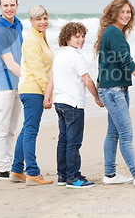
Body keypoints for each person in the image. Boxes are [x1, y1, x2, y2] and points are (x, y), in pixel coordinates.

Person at [94, 0, 135, 190]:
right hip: (114, 90)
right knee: (125, 133)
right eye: (122, 11)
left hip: (113, 88)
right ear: (113, 13)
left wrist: (100, 88)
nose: (125, 15)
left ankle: (110, 174)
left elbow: (103, 62)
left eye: (128, 12)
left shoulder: (111, 32)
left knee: (113, 132)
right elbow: (126, 62)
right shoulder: (114, 33)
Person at [43, 22, 104, 189]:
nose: (81, 39)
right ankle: (74, 177)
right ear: (67, 38)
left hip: (60, 103)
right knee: (73, 142)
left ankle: (62, 175)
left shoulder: (60, 55)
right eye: (77, 36)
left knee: (63, 140)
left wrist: (47, 98)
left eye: (83, 36)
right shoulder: (76, 57)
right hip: (74, 105)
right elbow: (87, 80)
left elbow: (53, 78)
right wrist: (97, 98)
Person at [10, 5, 54, 185]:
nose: (43, 22)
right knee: (31, 131)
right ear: (31, 21)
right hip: (33, 89)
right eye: (38, 19)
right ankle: (33, 173)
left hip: (33, 88)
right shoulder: (31, 41)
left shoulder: (40, 37)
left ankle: (16, 170)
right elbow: (37, 71)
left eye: (45, 18)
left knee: (27, 128)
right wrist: (47, 94)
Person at [0, 0, 23, 180]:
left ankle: (10, 165)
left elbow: (22, 55)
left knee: (11, 128)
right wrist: (32, 78)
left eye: (12, 5)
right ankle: (3, 169)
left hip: (19, 83)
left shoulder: (18, 25)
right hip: (4, 85)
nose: (9, 9)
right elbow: (10, 64)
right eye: (5, 5)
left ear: (17, 5)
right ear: (0, 7)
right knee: (1, 128)